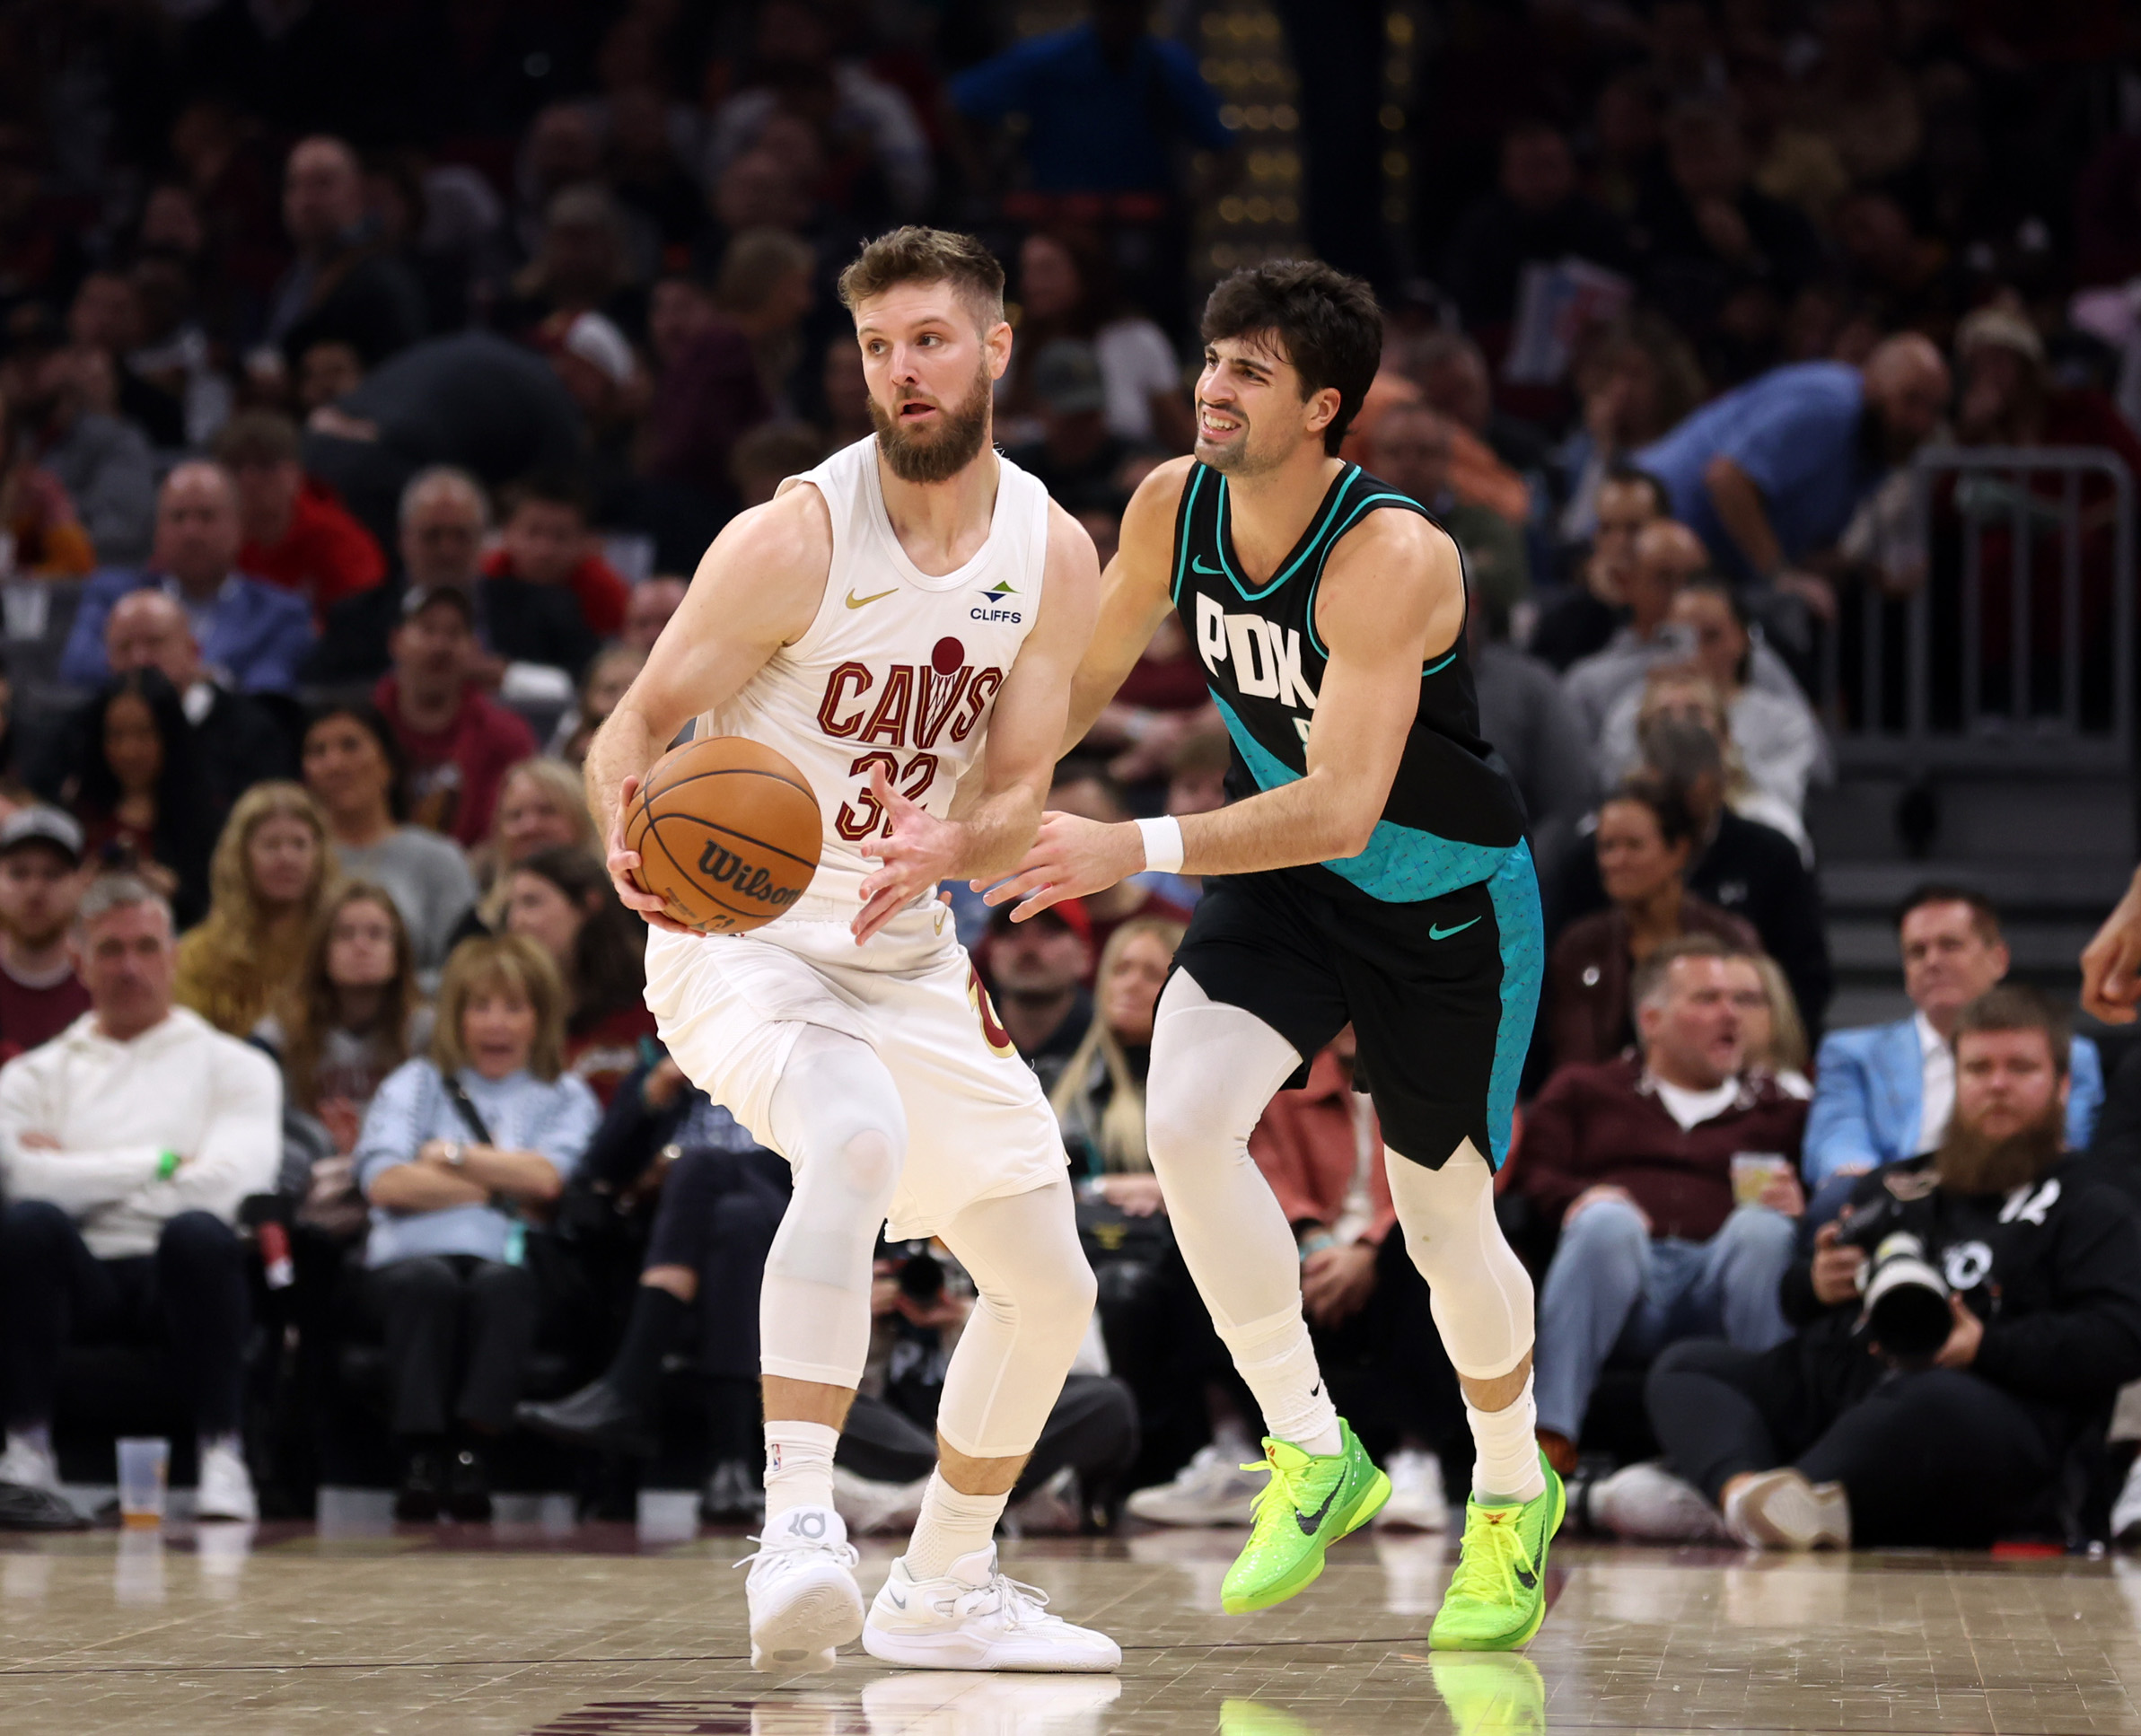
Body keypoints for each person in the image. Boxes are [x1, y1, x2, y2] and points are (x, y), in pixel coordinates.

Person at [994, 259, 1558, 1647]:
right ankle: (1311, 1447)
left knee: (1439, 1226)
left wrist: (1131, 845)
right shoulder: (1171, 504)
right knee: (1185, 1121)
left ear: (1323, 407)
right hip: (1291, 885)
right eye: (1209, 359)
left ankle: (1509, 1487)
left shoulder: (1395, 556)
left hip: (1441, 905)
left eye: (1247, 370)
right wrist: (976, 790)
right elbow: (1081, 680)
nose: (1210, 387)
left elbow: (1344, 802)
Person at [588, 226, 1117, 1672]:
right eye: (880, 346)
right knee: (856, 1137)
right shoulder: (792, 539)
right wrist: (621, 832)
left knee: (1049, 1281)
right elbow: (631, 728)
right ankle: (802, 1524)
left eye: (931, 339)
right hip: (741, 934)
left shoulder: (1052, 552)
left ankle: (943, 1584)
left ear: (997, 347)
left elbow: (1013, 795)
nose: (903, 370)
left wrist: (959, 846)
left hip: (902, 944)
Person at [1621, 987, 2141, 1550]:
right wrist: (1816, 1281)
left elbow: (2121, 1337)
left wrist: (1985, 1345)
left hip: (1982, 1416)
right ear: (1955, 1080)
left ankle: (1737, 1500)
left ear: (2063, 1085)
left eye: (2020, 1068)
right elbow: (1793, 1299)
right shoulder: (1901, 1182)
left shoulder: (2092, 1202)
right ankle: (1756, 1498)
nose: (1997, 1084)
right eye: (1978, 1068)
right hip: (1847, 1387)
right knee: (1690, 1365)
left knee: (1931, 1398)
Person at [0, 875, 282, 1523]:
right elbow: (25, 1183)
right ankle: (27, 1450)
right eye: (111, 950)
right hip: (80, 1274)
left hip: (177, 1274)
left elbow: (234, 1185)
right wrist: (159, 1162)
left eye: (147, 947)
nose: (131, 966)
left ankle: (223, 1455)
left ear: (175, 956)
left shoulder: (236, 1066)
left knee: (200, 1232)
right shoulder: (32, 1075)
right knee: (29, 1225)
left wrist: (74, 1169)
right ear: (79, 963)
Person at [1519, 935, 1807, 1471]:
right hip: (1624, 1286)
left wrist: (1799, 1206)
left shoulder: (1782, 1109)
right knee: (1607, 1220)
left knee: (1763, 1230)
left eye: (1740, 1000)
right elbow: (1531, 1175)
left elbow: (1819, 1209)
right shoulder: (1585, 1089)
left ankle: (1778, 1444)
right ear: (1651, 1019)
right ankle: (1546, 1446)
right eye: (1707, 999)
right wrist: (1579, 1197)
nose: (1732, 1014)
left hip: (1720, 1286)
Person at [355, 934, 598, 1522]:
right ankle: (418, 1456)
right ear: (454, 1015)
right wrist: (499, 1183)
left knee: (498, 1287)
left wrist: (450, 1157)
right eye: (479, 1007)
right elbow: (384, 1183)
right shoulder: (415, 1084)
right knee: (429, 1283)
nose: (496, 1024)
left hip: (509, 1263)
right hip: (405, 1259)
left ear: (539, 1017)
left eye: (514, 1007)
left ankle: (471, 1454)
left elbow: (548, 1180)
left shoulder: (564, 1096)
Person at [1804, 886, 2103, 1206]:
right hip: (1889, 1201)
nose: (1932, 961)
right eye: (1917, 951)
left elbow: (2067, 1145)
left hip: (2020, 1200)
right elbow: (1835, 1144)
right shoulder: (1852, 1053)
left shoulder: (2071, 1054)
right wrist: (1883, 1190)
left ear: (1998, 959)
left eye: (1950, 945)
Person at [1631, 335, 1952, 621]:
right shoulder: (1830, 407)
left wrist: (1861, 572)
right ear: (1874, 383)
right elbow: (1727, 479)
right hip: (1642, 530)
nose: (1921, 422)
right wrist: (1778, 576)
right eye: (1911, 400)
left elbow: (1793, 537)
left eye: (1934, 409)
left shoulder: (1878, 451)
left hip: (1701, 565)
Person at [308, 466, 598, 688]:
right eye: (432, 536)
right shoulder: (357, 616)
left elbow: (591, 681)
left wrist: (509, 676)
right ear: (403, 540)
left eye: (461, 535)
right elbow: (323, 689)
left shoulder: (543, 609)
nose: (447, 550)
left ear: (484, 540)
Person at [1544, 780, 1759, 1072]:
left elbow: (1753, 1046)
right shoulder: (1580, 946)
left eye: (1634, 845)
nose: (1616, 861)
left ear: (1679, 851)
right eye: (1607, 847)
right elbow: (1572, 1061)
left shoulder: (1730, 939)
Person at [61, 462, 317, 697]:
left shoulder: (280, 613)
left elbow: (270, 689)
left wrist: (194, 681)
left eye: (206, 516)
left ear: (238, 527)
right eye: (178, 517)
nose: (191, 532)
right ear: (158, 531)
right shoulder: (113, 596)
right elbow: (78, 668)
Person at [1598, 582, 1826, 829]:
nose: (1696, 652)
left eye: (1711, 636)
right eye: (1683, 637)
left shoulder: (1784, 721)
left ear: (1741, 639)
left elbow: (1783, 798)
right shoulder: (1631, 712)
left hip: (1750, 832)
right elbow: (1615, 788)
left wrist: (1719, 751)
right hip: (1653, 831)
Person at [301, 704, 478, 978]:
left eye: (350, 746)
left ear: (387, 765)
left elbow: (468, 964)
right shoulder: (296, 861)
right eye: (318, 752)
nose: (334, 764)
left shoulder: (439, 858)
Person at [101, 591, 297, 825]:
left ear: (193, 650)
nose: (140, 660)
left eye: (154, 642)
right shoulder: (85, 730)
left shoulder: (252, 729)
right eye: (124, 647)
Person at [271, 881, 428, 1157]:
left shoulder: (427, 1031)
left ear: (399, 952)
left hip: (402, 1168)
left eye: (376, 934)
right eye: (345, 935)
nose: (361, 946)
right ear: (322, 953)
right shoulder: (280, 1034)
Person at [374, 586, 539, 848]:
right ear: (396, 642)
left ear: (474, 648)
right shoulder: (361, 731)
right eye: (427, 630)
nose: (440, 646)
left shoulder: (506, 736)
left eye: (454, 633)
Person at [174, 784, 336, 1038]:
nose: (287, 858)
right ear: (240, 858)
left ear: (320, 854)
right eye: (271, 845)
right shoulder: (199, 955)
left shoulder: (337, 944)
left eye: (300, 844)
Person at [501, 846, 655, 1107]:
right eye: (511, 907)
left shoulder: (652, 1001)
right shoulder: (505, 1013)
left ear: (589, 903)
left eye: (531, 902)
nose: (516, 921)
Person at [266, 136, 426, 373]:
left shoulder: (381, 281)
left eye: (322, 184)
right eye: (294, 185)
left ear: (356, 193)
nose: (306, 200)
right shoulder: (294, 278)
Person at [68, 669, 214, 928]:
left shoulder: (203, 818)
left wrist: (173, 891)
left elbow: (220, 916)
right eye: (116, 735)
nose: (129, 751)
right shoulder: (79, 812)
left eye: (144, 734)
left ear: (168, 737)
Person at [213, 409, 385, 620]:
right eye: (236, 467)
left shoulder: (335, 538)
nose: (250, 481)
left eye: (265, 465)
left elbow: (366, 616)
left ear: (295, 473)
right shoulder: (207, 535)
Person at [1049, 917, 1183, 1184]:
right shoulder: (1050, 1080)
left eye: (1153, 974)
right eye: (1121, 970)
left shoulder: (1208, 1091)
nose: (1131, 984)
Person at [1529, 469, 1664, 674]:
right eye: (1606, 529)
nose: (1619, 543)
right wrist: (1603, 607)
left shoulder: (1689, 606)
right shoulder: (1563, 619)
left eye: (1634, 528)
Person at [483, 474, 628, 643]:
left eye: (560, 536)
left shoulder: (605, 592)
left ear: (585, 543)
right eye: (533, 532)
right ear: (507, 533)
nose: (544, 550)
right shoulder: (486, 575)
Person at [980, 900, 1093, 1099]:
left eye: (1048, 934)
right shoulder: (961, 1038)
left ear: (1085, 955)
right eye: (1012, 935)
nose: (1028, 949)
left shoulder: (1112, 1048)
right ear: (991, 954)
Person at [0, 810, 90, 1058]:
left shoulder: (104, 984)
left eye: (53, 874)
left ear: (81, 883)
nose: (34, 891)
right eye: (19, 873)